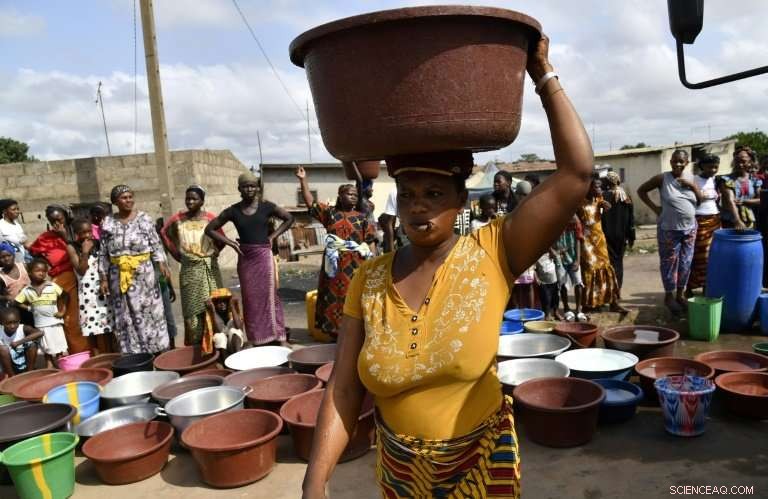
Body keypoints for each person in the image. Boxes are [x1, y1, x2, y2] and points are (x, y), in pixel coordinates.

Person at [301, 35, 594, 499]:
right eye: (409, 196)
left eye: (434, 195)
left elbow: (576, 174)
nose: (418, 209)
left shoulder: (494, 252)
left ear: (461, 200)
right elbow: (343, 389)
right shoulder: (369, 278)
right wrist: (315, 481)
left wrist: (543, 75)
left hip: (479, 464)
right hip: (398, 472)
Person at [205, 172, 294, 346]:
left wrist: (272, 236)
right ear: (239, 189)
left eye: (252, 185)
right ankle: (255, 338)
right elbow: (210, 229)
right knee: (251, 298)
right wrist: (230, 242)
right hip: (246, 258)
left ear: (258, 188)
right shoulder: (233, 210)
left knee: (270, 296)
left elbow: (289, 218)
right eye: (245, 186)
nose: (249, 189)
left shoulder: (266, 207)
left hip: (263, 256)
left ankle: (279, 337)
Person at [296, 166, 377, 338]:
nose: (353, 197)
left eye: (355, 195)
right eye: (350, 194)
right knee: (332, 299)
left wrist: (373, 266)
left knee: (353, 298)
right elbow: (311, 203)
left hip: (355, 265)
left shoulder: (362, 218)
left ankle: (354, 337)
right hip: (333, 265)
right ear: (340, 195)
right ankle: (336, 339)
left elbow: (370, 242)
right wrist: (303, 180)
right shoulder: (331, 213)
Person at [98, 185, 170, 354]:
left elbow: (155, 243)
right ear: (115, 201)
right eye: (124, 197)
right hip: (118, 274)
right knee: (125, 314)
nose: (128, 200)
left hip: (143, 274)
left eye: (130, 196)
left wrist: (161, 263)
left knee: (149, 311)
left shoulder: (144, 219)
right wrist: (103, 278)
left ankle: (156, 350)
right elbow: (102, 252)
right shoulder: (107, 223)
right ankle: (133, 353)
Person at [638, 150, 702, 314]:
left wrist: (693, 186)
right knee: (669, 263)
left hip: (690, 228)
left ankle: (680, 295)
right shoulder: (662, 178)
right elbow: (641, 190)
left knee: (686, 262)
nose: (678, 164)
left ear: (687, 163)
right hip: (669, 229)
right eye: (675, 161)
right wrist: (655, 208)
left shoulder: (692, 178)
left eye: (682, 161)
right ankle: (669, 296)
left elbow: (700, 201)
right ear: (671, 161)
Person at [160, 185, 223, 346]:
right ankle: (197, 346)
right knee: (192, 311)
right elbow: (164, 233)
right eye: (188, 198)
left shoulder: (210, 218)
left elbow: (221, 237)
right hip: (189, 270)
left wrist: (214, 252)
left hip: (209, 268)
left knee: (216, 305)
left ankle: (217, 345)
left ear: (202, 201)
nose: (190, 202)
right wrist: (177, 254)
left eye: (194, 198)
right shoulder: (177, 219)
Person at [29, 205, 88, 353]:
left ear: (66, 217)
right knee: (70, 320)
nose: (56, 224)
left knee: (88, 316)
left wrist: (64, 237)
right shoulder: (45, 238)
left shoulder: (78, 230)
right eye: (52, 220)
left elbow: (84, 250)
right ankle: (80, 353)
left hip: (86, 277)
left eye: (59, 219)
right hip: (63, 279)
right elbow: (33, 253)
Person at [577, 177, 628, 313]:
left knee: (606, 269)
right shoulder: (579, 203)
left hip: (600, 240)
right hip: (586, 242)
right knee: (589, 270)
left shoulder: (599, 200)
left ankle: (613, 303)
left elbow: (606, 211)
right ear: (588, 187)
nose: (600, 190)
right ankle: (589, 305)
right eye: (597, 187)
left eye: (601, 187)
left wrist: (606, 208)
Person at [66, 218, 113, 355]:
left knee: (107, 327)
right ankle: (96, 358)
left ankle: (110, 355)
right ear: (76, 234)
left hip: (102, 289)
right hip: (87, 293)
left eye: (89, 231)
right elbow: (81, 270)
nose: (87, 235)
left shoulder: (98, 244)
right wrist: (85, 251)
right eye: (83, 232)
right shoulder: (72, 247)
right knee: (91, 329)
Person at [15, 258, 69, 366]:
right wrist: (29, 308)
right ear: (30, 273)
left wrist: (62, 311)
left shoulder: (52, 286)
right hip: (40, 323)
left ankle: (60, 362)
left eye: (44, 271)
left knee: (58, 343)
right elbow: (17, 302)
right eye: (38, 270)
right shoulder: (27, 290)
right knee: (45, 345)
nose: (41, 273)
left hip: (54, 321)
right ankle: (49, 363)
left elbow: (65, 295)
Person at [686, 154, 721, 295]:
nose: (713, 170)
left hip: (715, 220)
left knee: (713, 254)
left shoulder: (715, 180)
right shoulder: (694, 180)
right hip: (700, 219)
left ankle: (708, 285)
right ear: (702, 166)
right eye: (710, 166)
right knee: (699, 255)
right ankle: (689, 285)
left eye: (715, 167)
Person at [600, 171, 635, 288]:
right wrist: (631, 237)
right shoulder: (626, 197)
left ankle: (610, 290)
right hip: (622, 236)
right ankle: (617, 289)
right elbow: (631, 219)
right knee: (618, 262)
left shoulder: (602, 197)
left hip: (606, 235)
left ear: (608, 182)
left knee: (609, 263)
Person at [717, 146, 762, 230]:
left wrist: (745, 201)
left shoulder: (754, 180)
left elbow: (761, 199)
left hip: (749, 220)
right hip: (731, 220)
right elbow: (730, 201)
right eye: (737, 161)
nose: (740, 164)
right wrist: (737, 220)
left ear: (750, 162)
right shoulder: (726, 180)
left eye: (743, 161)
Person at [553, 215, 585, 322]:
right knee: (562, 284)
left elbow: (578, 241)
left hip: (573, 257)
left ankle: (579, 310)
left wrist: (578, 260)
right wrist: (554, 253)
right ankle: (567, 309)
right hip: (559, 258)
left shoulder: (575, 221)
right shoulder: (554, 221)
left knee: (578, 282)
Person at [0, 306, 43, 376]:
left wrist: (18, 342)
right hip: (8, 364)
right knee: (3, 349)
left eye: (15, 322)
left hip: (23, 360)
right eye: (8, 323)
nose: (12, 326)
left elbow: (40, 333)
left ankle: (29, 373)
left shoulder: (22, 328)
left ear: (19, 321)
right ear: (2, 323)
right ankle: (12, 376)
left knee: (33, 345)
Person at [205, 288, 245, 360]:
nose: (222, 304)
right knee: (219, 336)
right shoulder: (214, 315)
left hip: (234, 345)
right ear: (215, 304)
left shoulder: (232, 313)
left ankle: (239, 358)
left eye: (224, 302)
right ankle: (226, 362)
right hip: (223, 349)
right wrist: (213, 310)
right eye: (219, 302)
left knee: (234, 331)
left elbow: (239, 327)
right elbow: (220, 329)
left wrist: (232, 306)